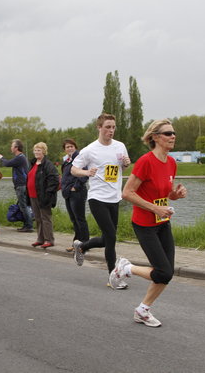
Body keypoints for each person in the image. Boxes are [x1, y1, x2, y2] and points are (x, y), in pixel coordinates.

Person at [112, 119, 187, 327]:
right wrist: (154, 208)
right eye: (168, 133)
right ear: (155, 137)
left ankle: (142, 310)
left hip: (163, 221)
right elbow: (127, 193)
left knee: (166, 273)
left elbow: (165, 194)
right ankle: (126, 268)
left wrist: (176, 195)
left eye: (174, 133)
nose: (173, 136)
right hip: (144, 224)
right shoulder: (145, 161)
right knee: (163, 272)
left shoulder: (171, 162)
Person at [71, 113, 131, 289]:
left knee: (107, 238)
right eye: (107, 127)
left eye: (113, 127)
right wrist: (86, 173)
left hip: (115, 198)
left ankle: (82, 247)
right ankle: (113, 277)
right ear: (99, 127)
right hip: (97, 197)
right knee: (111, 237)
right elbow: (74, 169)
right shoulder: (90, 149)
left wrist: (126, 163)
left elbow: (123, 166)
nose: (111, 131)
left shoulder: (120, 146)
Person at [0, 139, 33, 232]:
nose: (11, 148)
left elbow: (7, 163)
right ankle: (27, 224)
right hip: (20, 185)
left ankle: (29, 225)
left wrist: (1, 158)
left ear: (16, 148)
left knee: (23, 206)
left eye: (12, 146)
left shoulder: (20, 157)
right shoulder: (20, 157)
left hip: (21, 185)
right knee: (22, 205)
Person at [27, 142, 59, 248]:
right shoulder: (33, 163)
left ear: (44, 152)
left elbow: (54, 180)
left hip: (43, 196)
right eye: (35, 150)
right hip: (33, 195)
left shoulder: (48, 165)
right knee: (37, 218)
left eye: (39, 150)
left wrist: (48, 194)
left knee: (46, 218)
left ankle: (49, 239)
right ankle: (40, 239)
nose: (36, 152)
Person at [61, 139, 89, 252]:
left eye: (71, 146)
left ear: (75, 147)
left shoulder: (79, 158)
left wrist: (76, 187)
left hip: (77, 192)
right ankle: (76, 242)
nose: (70, 149)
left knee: (80, 218)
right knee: (74, 219)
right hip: (67, 192)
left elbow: (85, 173)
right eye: (67, 147)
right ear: (65, 149)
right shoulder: (67, 160)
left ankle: (85, 243)